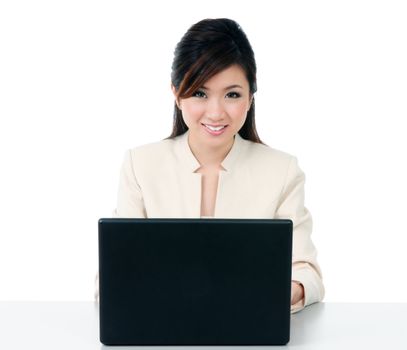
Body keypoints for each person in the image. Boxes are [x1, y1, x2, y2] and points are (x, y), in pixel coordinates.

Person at [94, 18, 324, 313]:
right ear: (177, 94)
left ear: (251, 97)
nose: (216, 113)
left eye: (232, 95)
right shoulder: (141, 165)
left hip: (248, 329)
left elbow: (306, 272)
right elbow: (113, 276)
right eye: (200, 93)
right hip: (161, 330)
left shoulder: (282, 170)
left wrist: (280, 292)